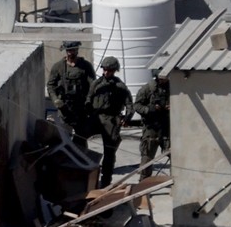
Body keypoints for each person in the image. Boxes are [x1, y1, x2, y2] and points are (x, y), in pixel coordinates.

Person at [86, 56, 132, 188]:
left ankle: (106, 181)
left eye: (109, 71)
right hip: (96, 117)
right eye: (105, 70)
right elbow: (89, 98)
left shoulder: (120, 86)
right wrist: (88, 108)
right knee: (79, 138)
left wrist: (127, 117)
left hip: (111, 120)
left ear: (114, 71)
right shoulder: (96, 84)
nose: (106, 73)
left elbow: (129, 104)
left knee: (110, 151)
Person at [46, 41, 95, 139]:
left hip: (81, 107)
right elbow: (50, 85)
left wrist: (89, 101)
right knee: (63, 137)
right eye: (68, 50)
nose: (70, 53)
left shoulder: (85, 66)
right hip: (65, 107)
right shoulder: (58, 67)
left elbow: (93, 86)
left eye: (73, 50)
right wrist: (56, 100)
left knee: (81, 138)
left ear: (77, 50)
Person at [133, 69, 171, 177]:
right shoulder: (147, 89)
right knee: (147, 158)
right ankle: (143, 183)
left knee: (174, 155)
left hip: (167, 127)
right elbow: (137, 106)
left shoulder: (172, 87)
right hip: (151, 128)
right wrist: (151, 109)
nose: (164, 79)